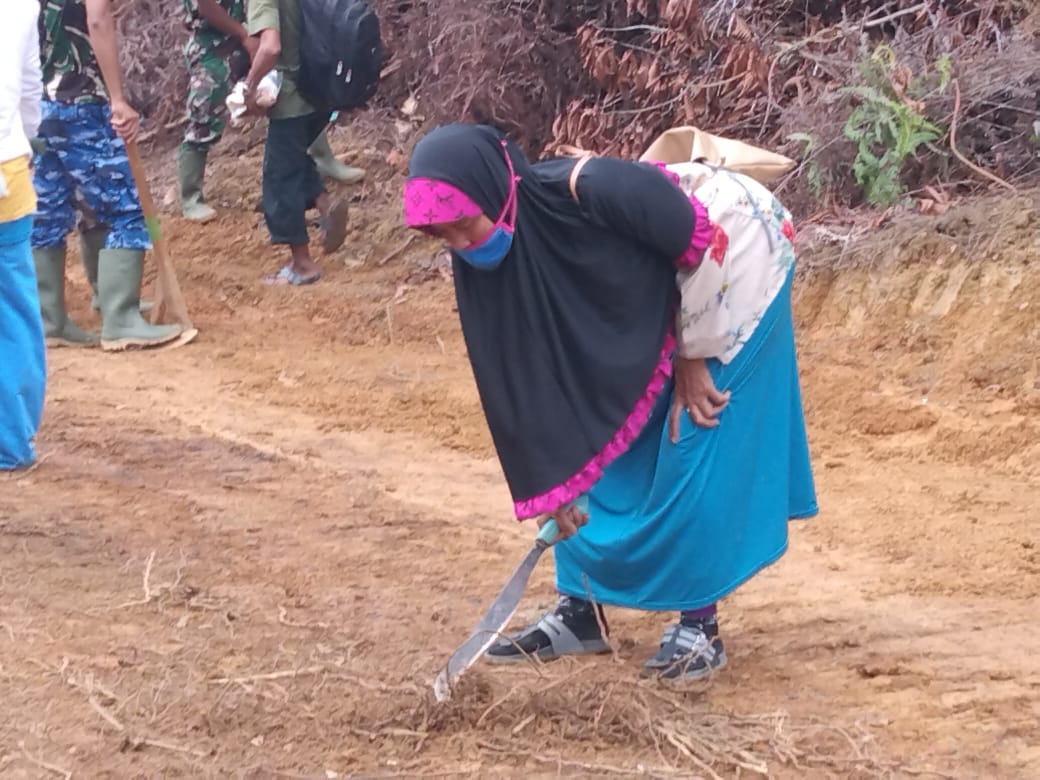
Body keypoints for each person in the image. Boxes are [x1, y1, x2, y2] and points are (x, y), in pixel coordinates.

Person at [402, 124, 818, 683]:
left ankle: (699, 625)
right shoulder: (490, 257)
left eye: (463, 226)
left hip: (733, 252)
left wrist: (692, 357)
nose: (459, 246)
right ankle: (580, 612)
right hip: (646, 292)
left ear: (493, 191)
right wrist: (551, 480)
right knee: (598, 431)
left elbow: (699, 243)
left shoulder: (592, 189)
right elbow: (525, 380)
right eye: (441, 236)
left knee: (690, 425)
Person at [33, 0, 181, 350]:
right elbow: (97, 18)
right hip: (82, 101)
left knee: (49, 209)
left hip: (40, 103)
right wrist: (117, 98)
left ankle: (49, 318)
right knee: (126, 208)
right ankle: (121, 317)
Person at [177, 0, 363, 223]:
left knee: (292, 96)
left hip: (256, 34)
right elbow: (206, 6)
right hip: (215, 44)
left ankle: (323, 160)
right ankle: (190, 197)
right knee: (204, 114)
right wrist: (243, 34)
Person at [244, 0, 351, 286]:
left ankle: (301, 264)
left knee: (280, 176)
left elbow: (270, 47)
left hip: (291, 96)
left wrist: (249, 87)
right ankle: (325, 204)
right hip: (322, 92)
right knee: (294, 157)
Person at [1, 0, 46, 470]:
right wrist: (25, 136)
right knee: (12, 310)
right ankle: (11, 443)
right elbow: (31, 88)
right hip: (8, 167)